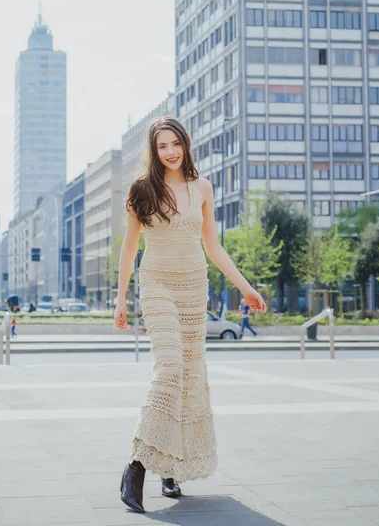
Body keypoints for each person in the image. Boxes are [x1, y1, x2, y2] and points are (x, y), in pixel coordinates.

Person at [114, 116, 266, 514]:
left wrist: (245, 287)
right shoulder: (140, 190)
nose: (170, 151)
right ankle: (136, 466)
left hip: (194, 286)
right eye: (162, 146)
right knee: (169, 369)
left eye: (175, 143)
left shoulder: (203, 188)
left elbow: (213, 246)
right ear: (154, 150)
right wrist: (120, 299)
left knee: (188, 377)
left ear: (185, 143)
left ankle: (171, 468)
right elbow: (130, 249)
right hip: (157, 284)